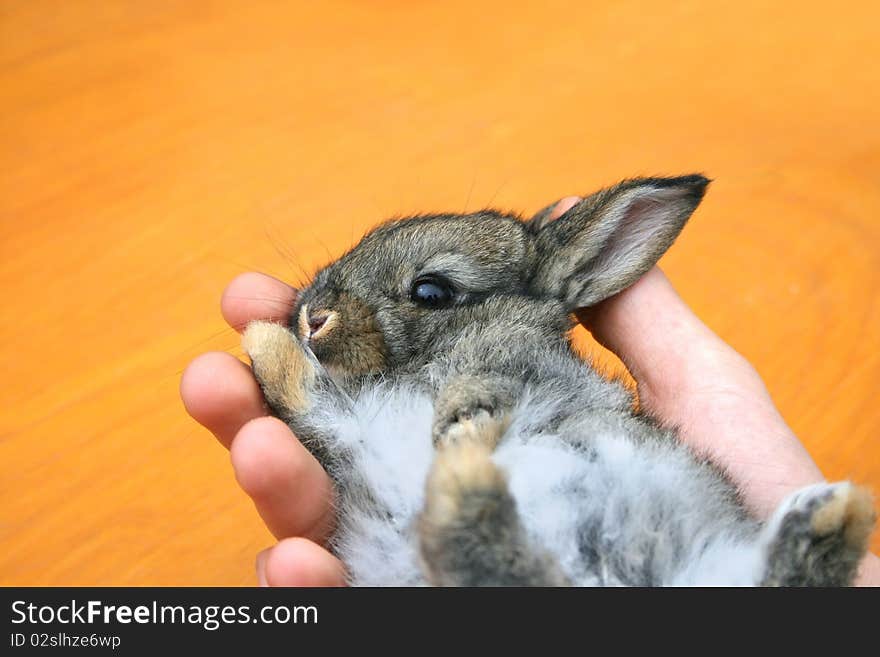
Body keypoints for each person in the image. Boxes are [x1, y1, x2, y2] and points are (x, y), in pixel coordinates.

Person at [180, 197, 879, 586]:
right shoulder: (384, 403)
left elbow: (505, 374)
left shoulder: (508, 335)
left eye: (429, 292)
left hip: (618, 510)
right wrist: (301, 391)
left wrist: (478, 395)